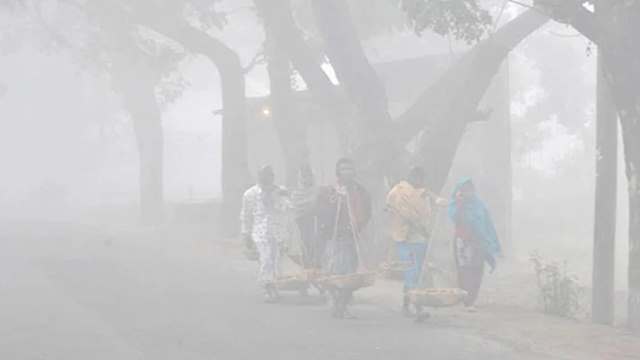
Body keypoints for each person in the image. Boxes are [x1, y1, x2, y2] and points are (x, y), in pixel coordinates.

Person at [386, 166, 446, 318]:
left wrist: (436, 199)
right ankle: (417, 308)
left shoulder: (421, 193)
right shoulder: (399, 191)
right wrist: (420, 227)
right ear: (411, 177)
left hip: (420, 240)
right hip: (405, 239)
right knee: (412, 273)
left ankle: (407, 305)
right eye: (417, 178)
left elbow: (430, 198)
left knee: (416, 273)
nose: (419, 181)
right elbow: (400, 211)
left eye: (421, 179)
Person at [317, 158, 372, 318]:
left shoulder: (360, 191)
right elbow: (321, 212)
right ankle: (338, 303)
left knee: (350, 276)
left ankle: (342, 304)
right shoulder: (329, 191)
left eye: (350, 169)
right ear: (338, 172)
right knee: (334, 274)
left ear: (354, 171)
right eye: (343, 169)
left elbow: (367, 212)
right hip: (333, 237)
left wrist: (358, 226)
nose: (347, 172)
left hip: (352, 237)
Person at [448, 178, 501, 312]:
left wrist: (492, 242)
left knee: (477, 270)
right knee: (464, 270)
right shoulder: (456, 204)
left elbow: (487, 224)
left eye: (470, 189)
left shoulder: (479, 205)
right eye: (465, 189)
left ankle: (471, 299)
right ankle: (464, 298)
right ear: (460, 190)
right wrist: (460, 203)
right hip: (462, 242)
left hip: (478, 242)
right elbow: (454, 217)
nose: (468, 192)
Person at [240, 165, 291, 303]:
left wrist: (283, 197)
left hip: (277, 231)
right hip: (259, 232)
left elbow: (287, 209)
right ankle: (268, 288)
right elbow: (246, 216)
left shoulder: (280, 191)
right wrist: (246, 235)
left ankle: (273, 286)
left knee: (276, 260)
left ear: (273, 177)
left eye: (269, 175)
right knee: (266, 258)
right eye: (264, 175)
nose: (267, 178)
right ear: (259, 177)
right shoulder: (250, 194)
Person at [291, 165, 322, 269]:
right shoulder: (296, 194)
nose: (306, 179)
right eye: (304, 176)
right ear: (300, 178)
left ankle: (317, 266)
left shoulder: (318, 191)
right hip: (302, 222)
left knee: (317, 243)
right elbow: (296, 208)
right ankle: (308, 267)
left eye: (308, 176)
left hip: (317, 221)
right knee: (305, 244)